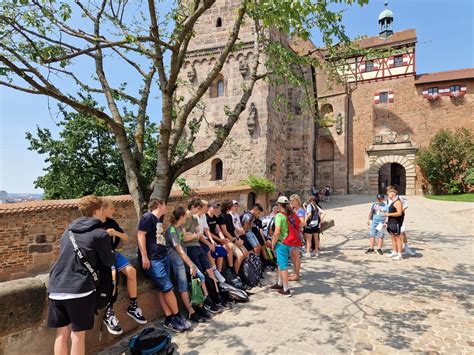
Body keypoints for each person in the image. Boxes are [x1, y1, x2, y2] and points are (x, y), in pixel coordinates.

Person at [47, 195, 115, 355]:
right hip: (79, 287)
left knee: (61, 334)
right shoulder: (100, 234)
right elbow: (108, 261)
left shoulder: (67, 232)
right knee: (77, 335)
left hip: (56, 287)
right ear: (98, 210)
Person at [137, 198, 189, 333]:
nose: (166, 207)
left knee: (163, 289)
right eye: (164, 204)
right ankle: (178, 316)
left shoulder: (159, 219)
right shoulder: (147, 217)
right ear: (159, 204)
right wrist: (144, 256)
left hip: (162, 256)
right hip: (154, 260)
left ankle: (169, 318)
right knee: (168, 288)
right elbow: (140, 235)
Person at [101, 198, 147, 335]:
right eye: (111, 208)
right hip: (102, 257)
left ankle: (133, 306)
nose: (113, 210)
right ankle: (109, 311)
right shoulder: (94, 224)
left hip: (113, 253)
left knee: (132, 272)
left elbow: (126, 237)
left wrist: (116, 233)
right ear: (102, 209)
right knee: (113, 275)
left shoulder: (111, 222)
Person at [164, 207, 209, 324]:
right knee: (183, 284)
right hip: (177, 259)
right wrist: (191, 265)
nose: (186, 217)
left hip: (184, 257)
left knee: (200, 277)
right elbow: (179, 250)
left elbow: (184, 236)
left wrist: (194, 234)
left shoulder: (179, 227)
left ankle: (200, 305)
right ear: (181, 217)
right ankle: (191, 312)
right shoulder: (171, 230)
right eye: (185, 216)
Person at [182, 199, 222, 314]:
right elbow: (185, 237)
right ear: (194, 207)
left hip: (197, 245)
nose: (201, 211)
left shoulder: (195, 218)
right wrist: (194, 235)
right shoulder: (184, 217)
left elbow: (198, 234)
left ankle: (215, 296)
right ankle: (205, 301)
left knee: (209, 269)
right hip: (189, 248)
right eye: (199, 208)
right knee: (200, 274)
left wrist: (194, 235)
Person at [269, 196, 294, 297]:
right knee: (280, 263)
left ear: (279, 205)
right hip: (289, 243)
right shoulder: (290, 214)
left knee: (283, 266)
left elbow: (277, 232)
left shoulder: (279, 216)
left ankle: (286, 289)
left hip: (281, 243)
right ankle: (280, 283)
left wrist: (273, 243)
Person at [217, 200, 249, 274]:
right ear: (228, 207)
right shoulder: (222, 217)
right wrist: (234, 240)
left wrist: (238, 238)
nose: (235, 207)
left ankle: (242, 271)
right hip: (228, 240)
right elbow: (225, 232)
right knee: (240, 255)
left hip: (234, 238)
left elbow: (233, 230)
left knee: (246, 254)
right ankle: (236, 273)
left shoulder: (229, 216)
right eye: (233, 206)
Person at [206, 201, 234, 272]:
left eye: (217, 207)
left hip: (216, 238)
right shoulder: (206, 218)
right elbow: (208, 232)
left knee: (226, 248)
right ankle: (216, 273)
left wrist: (223, 239)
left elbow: (219, 230)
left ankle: (220, 271)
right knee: (216, 253)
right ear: (209, 207)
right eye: (214, 207)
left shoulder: (215, 218)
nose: (216, 209)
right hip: (209, 239)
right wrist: (220, 239)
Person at [384, 188, 405, 260]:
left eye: (388, 194)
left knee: (398, 238)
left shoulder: (398, 202)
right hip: (391, 222)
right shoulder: (392, 202)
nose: (387, 195)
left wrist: (388, 214)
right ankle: (394, 252)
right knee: (393, 237)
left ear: (392, 194)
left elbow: (399, 213)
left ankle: (400, 254)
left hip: (396, 223)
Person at [288, 194, 305, 281]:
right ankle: (295, 272)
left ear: (297, 201)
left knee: (296, 255)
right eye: (290, 201)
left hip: (297, 235)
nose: (291, 203)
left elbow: (302, 223)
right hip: (292, 234)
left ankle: (297, 275)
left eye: (293, 201)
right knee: (292, 255)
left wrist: (294, 221)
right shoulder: (294, 210)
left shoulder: (300, 211)